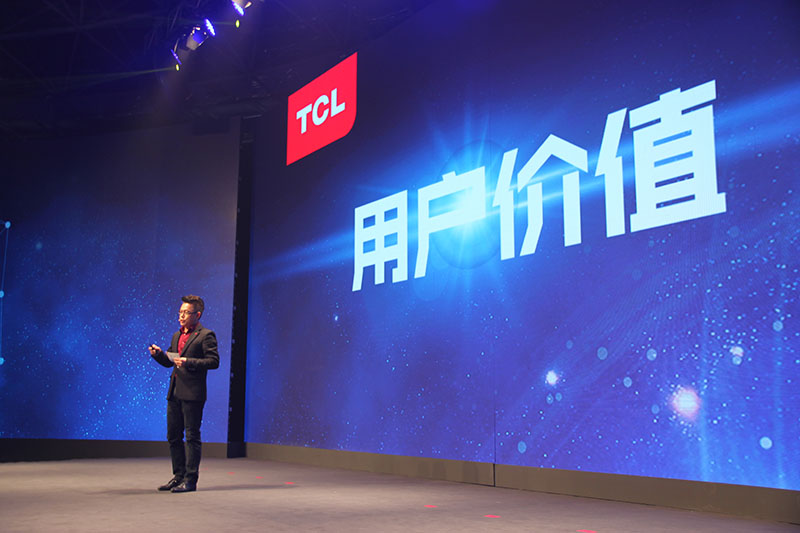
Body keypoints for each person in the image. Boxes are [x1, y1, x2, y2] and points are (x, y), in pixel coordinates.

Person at [148, 295, 219, 493]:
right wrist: (159, 355)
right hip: (175, 392)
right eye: (180, 312)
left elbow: (213, 361)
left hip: (193, 393)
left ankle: (190, 480)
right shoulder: (176, 336)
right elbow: (171, 361)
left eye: (186, 313)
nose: (181, 316)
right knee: (173, 436)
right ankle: (178, 476)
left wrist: (189, 362)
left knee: (192, 437)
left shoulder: (206, 335)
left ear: (197, 315)